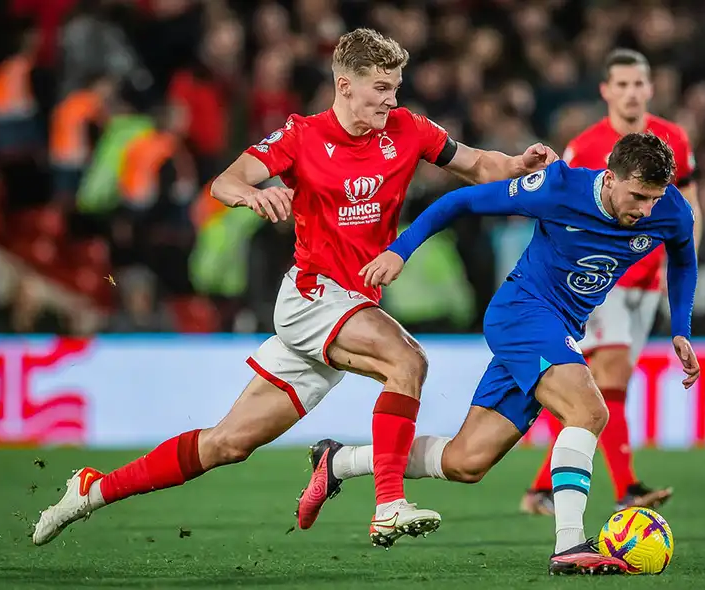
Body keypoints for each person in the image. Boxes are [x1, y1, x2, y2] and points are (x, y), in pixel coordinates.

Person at [32, 27, 557, 548]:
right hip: (315, 297)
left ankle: (93, 490)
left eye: (395, 87)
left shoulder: (408, 128)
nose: (390, 100)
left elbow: (475, 163)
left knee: (227, 444)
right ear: (344, 84)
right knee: (407, 362)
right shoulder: (301, 136)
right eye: (380, 88)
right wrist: (251, 197)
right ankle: (390, 505)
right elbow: (226, 181)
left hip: (352, 307)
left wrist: (514, 166)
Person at [298, 133, 700, 575]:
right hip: (523, 314)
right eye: (638, 196)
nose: (645, 210)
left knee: (466, 461)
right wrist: (400, 249)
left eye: (653, 199)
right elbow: (461, 203)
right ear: (610, 178)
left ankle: (338, 460)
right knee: (589, 411)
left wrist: (680, 328)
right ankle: (569, 544)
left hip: (560, 328)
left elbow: (683, 256)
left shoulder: (671, 210)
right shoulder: (559, 188)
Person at [523, 48, 702, 516]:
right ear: (605, 90)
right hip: (600, 281)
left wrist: (681, 259)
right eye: (620, 84)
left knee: (605, 387)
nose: (629, 92)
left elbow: (690, 209)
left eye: (637, 84)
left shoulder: (674, 141)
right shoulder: (586, 146)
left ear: (650, 88)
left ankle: (539, 488)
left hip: (648, 280)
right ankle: (628, 488)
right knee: (612, 378)